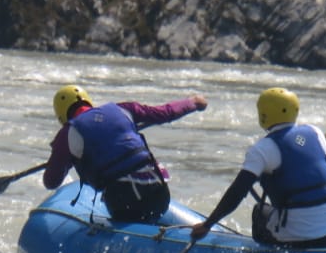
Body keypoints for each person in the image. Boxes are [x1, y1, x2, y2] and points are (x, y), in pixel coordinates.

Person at [189, 87, 326, 248]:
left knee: (259, 212)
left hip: (295, 236)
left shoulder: (263, 148)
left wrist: (207, 225)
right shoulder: (316, 132)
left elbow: (236, 193)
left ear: (264, 114)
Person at [44, 84, 207, 223]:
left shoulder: (68, 134)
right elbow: (165, 112)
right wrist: (192, 102)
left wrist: (68, 158)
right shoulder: (123, 109)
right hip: (160, 196)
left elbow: (51, 182)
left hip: (125, 206)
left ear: (61, 114)